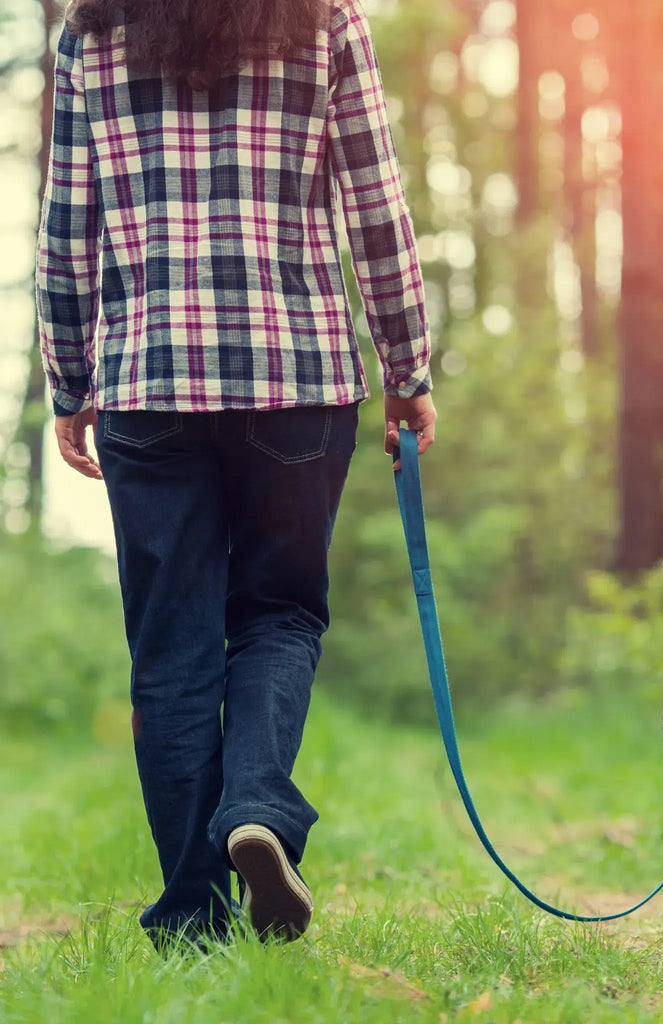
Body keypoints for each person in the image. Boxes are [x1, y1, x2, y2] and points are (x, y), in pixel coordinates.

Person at [36, 0, 436, 948]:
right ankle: (256, 805)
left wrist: (70, 380)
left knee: (169, 649)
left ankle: (191, 915)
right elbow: (375, 205)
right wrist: (407, 368)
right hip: (295, 377)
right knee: (280, 616)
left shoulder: (93, 31)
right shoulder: (324, 20)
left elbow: (67, 225)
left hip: (149, 383)